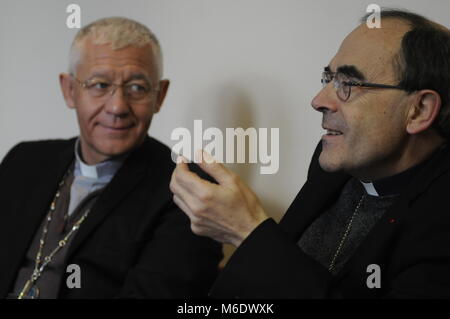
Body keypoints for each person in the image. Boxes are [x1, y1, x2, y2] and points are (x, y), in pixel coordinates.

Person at [170, 9, 450, 298]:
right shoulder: (334, 162)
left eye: (348, 84)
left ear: (419, 110)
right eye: (329, 78)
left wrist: (248, 232)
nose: (319, 101)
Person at [0, 17, 222, 299]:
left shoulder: (188, 192)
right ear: (69, 90)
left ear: (159, 96)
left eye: (138, 88)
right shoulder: (24, 161)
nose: (117, 106)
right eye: (100, 84)